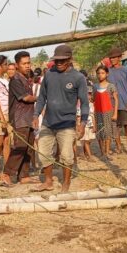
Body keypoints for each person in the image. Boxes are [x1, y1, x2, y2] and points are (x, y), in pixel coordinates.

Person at [32, 44, 88, 193]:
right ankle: (48, 181)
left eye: (62, 60)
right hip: (48, 123)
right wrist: (36, 115)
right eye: (56, 60)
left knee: (66, 156)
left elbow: (84, 103)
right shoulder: (49, 75)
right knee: (43, 152)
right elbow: (42, 97)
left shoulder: (78, 78)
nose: (59, 63)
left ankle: (66, 183)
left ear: (70, 59)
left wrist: (82, 123)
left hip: (67, 124)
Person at [2, 51, 38, 185]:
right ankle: (7, 173)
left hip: (28, 117)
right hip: (19, 118)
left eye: (29, 63)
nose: (28, 66)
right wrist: (42, 98)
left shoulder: (26, 79)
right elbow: (26, 98)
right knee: (20, 146)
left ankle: (24, 175)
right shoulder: (15, 80)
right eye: (24, 64)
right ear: (17, 65)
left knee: (29, 147)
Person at [107, 47, 127, 154]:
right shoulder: (108, 71)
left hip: (125, 102)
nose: (112, 59)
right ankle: (118, 146)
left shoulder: (126, 69)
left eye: (114, 57)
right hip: (113, 104)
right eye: (111, 58)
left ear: (119, 58)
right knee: (115, 126)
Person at [93, 65, 119, 157]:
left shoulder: (111, 86)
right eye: (98, 73)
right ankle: (102, 151)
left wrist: (115, 113)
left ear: (107, 74)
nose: (100, 75)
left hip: (108, 112)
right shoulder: (95, 86)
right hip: (98, 112)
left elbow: (116, 100)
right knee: (100, 131)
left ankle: (107, 151)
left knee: (107, 131)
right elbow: (93, 100)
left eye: (103, 73)